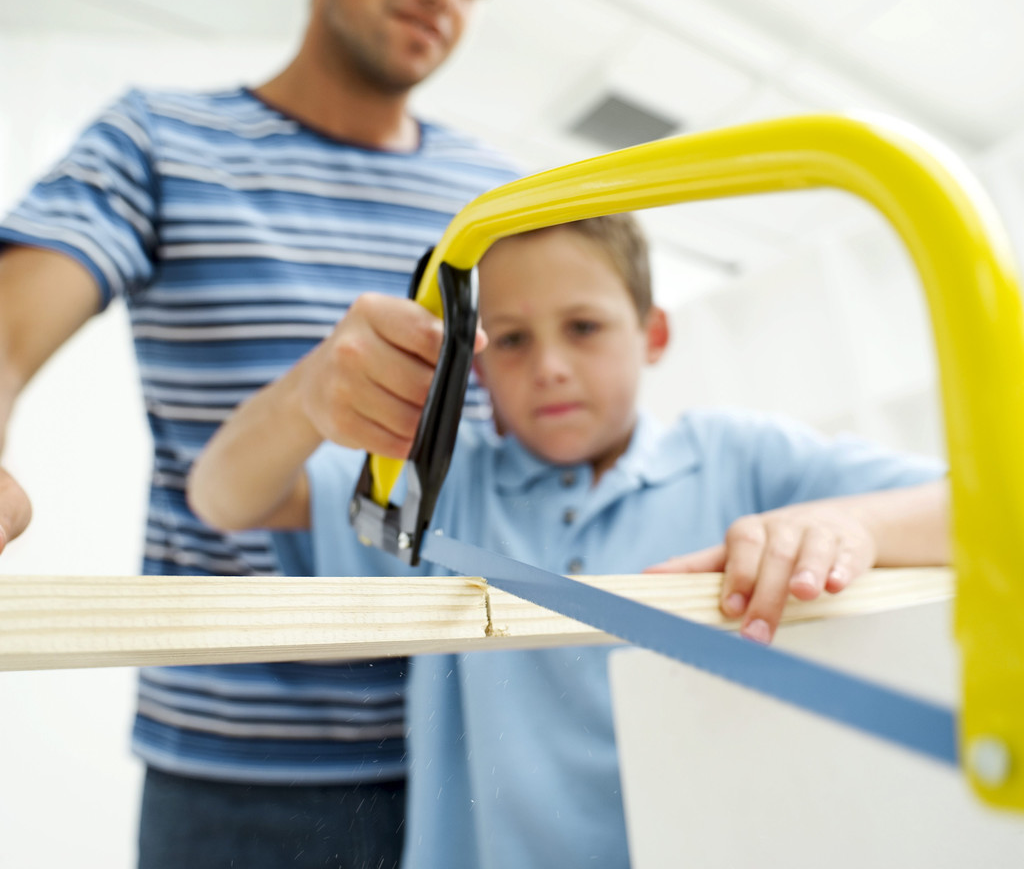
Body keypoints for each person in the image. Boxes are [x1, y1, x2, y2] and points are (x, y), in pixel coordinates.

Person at [0, 0, 543, 867]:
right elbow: (8, 331)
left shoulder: (498, 201)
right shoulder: (157, 140)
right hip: (235, 774)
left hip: (471, 738)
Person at [188, 212, 951, 869]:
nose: (550, 368)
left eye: (583, 328)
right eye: (511, 340)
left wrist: (857, 524)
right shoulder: (447, 483)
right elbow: (222, 497)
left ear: (652, 333)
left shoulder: (741, 458)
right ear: (475, 364)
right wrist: (304, 394)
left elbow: (988, 507)